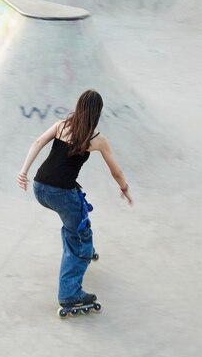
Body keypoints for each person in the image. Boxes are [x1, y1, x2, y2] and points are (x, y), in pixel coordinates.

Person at [16, 89, 133, 309]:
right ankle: (70, 292)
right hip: (60, 193)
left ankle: (81, 245)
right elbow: (116, 171)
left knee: (76, 217)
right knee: (78, 236)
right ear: (97, 113)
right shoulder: (96, 139)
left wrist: (23, 172)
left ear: (78, 107)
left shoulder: (61, 125)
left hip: (40, 188)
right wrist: (124, 188)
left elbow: (38, 141)